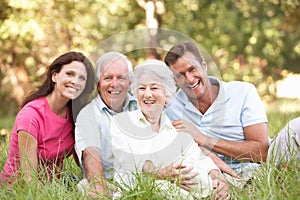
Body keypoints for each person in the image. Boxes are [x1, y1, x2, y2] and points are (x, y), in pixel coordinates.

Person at [110, 60, 230, 199]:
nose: (147, 94)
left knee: (202, 180)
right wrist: (161, 173)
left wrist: (217, 178)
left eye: (154, 88)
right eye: (142, 88)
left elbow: (200, 159)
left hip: (176, 191)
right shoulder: (121, 122)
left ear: (168, 95)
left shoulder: (175, 129)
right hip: (135, 193)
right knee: (167, 187)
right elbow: (129, 161)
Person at [164, 40, 269, 178]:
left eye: (192, 69)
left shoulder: (243, 92)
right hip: (211, 175)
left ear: (203, 65)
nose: (189, 79)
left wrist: (202, 138)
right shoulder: (170, 108)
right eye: (180, 75)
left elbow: (261, 151)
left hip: (259, 166)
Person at [0, 52, 95, 184]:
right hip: (19, 188)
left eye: (82, 78)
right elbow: (29, 179)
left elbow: (85, 162)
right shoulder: (31, 115)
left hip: (55, 184)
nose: (75, 81)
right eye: (69, 74)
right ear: (54, 76)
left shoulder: (76, 115)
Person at [74, 52, 138, 197]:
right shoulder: (88, 115)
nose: (114, 84)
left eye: (121, 77)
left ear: (130, 83)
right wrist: (99, 186)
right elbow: (91, 154)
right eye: (108, 78)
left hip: (144, 179)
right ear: (98, 84)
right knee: (86, 187)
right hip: (109, 183)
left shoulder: (140, 106)